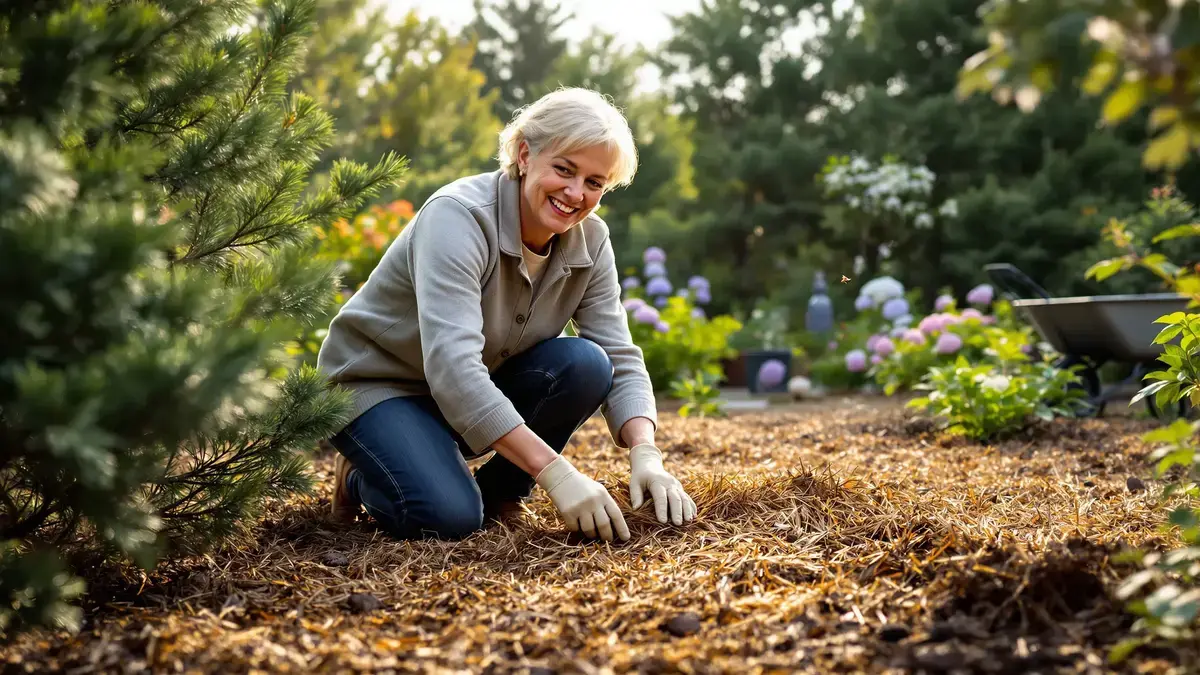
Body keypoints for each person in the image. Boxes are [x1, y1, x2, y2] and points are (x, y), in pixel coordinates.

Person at [316, 87, 697, 543]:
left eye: (595, 182)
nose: (576, 193)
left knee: (587, 363)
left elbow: (619, 353)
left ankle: (500, 494)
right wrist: (558, 476)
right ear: (523, 154)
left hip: (463, 389)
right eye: (564, 169)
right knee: (447, 517)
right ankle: (364, 475)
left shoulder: (591, 240)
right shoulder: (458, 217)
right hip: (376, 387)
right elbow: (454, 369)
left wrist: (646, 454)